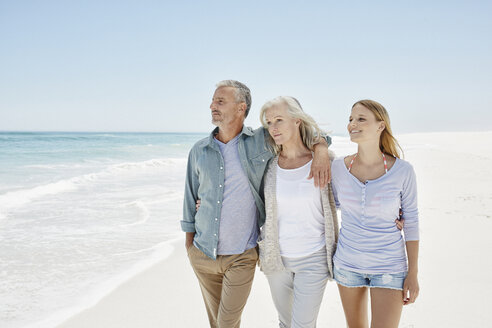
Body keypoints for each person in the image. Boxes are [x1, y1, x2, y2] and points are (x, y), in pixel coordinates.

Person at [180, 80, 331, 328]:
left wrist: (322, 149)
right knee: (216, 322)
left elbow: (307, 132)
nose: (212, 106)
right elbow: (189, 197)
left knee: (227, 322)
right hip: (203, 251)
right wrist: (190, 246)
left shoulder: (261, 140)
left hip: (242, 253)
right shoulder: (199, 150)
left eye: (220, 101)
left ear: (241, 108)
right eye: (213, 100)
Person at [330, 100, 420, 328]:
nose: (352, 124)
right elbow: (329, 205)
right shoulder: (338, 168)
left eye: (361, 119)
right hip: (347, 265)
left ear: (381, 126)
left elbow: (412, 223)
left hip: (389, 267)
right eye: (351, 119)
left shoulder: (403, 171)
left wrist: (413, 273)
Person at [257, 96, 339, 328]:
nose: (273, 128)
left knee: (302, 325)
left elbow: (350, 197)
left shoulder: (324, 161)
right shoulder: (269, 166)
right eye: (269, 122)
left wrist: (391, 215)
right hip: (276, 259)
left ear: (297, 121)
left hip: (314, 258)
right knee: (285, 323)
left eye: (279, 120)